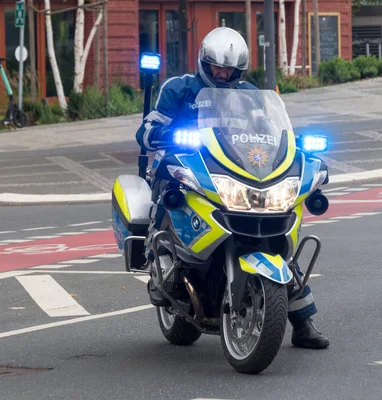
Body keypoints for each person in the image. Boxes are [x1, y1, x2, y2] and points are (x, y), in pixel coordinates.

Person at [135, 27, 330, 350]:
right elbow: (148, 129)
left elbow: (268, 130)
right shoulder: (179, 88)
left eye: (231, 70)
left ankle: (303, 322)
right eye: (217, 67)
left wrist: (289, 149)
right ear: (204, 62)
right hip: (182, 166)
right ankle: (158, 260)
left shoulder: (250, 94)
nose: (223, 74)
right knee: (167, 199)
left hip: (232, 170)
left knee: (273, 238)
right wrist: (159, 135)